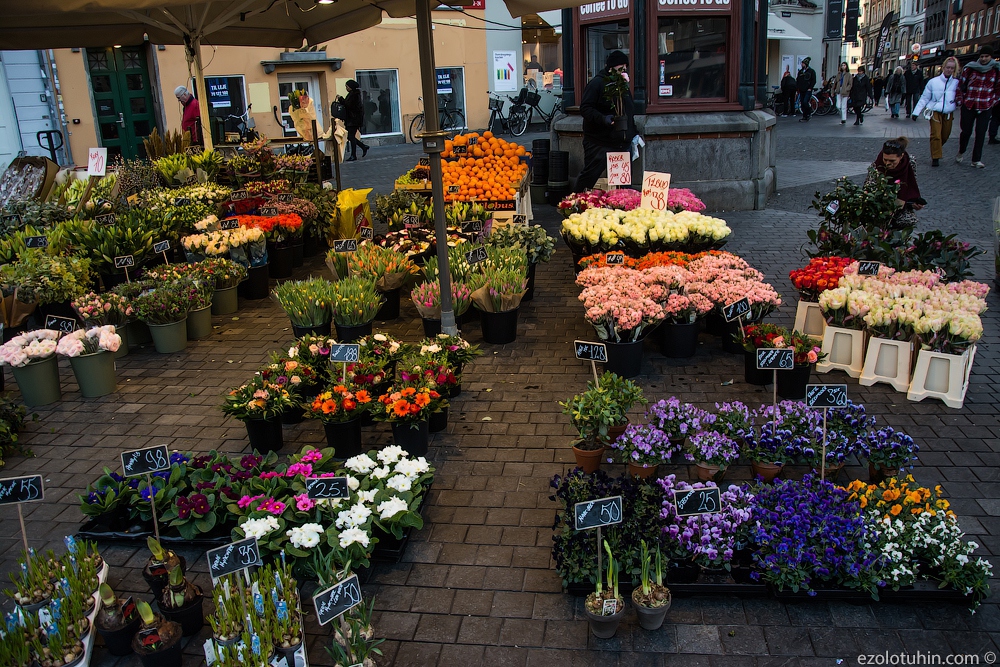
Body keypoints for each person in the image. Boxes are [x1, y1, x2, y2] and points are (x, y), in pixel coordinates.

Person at [576, 50, 638, 192]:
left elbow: (628, 110)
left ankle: (622, 208)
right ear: (610, 68)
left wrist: (632, 132)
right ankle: (575, 203)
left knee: (623, 185)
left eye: (625, 67)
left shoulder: (622, 85)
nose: (624, 71)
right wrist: (603, 119)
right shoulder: (597, 84)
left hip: (621, 143)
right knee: (589, 177)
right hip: (599, 142)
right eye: (620, 67)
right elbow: (585, 108)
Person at [955, 46, 1000, 168]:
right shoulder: (970, 68)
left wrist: (993, 101)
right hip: (969, 105)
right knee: (966, 131)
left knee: (981, 133)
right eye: (982, 56)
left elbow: (998, 89)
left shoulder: (996, 70)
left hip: (985, 106)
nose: (984, 59)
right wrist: (960, 100)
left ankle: (976, 159)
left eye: (986, 56)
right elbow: (961, 85)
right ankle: (961, 150)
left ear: (991, 57)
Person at [912, 56, 960, 167]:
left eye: (952, 68)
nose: (949, 70)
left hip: (948, 112)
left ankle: (936, 148)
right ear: (943, 67)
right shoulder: (933, 82)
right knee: (936, 134)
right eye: (947, 67)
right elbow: (924, 97)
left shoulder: (956, 83)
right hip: (935, 110)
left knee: (945, 134)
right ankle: (936, 157)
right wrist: (916, 112)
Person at [871, 137, 925, 228]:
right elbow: (870, 188)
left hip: (901, 207)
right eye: (885, 159)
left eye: (892, 161)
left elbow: (910, 185)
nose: (887, 163)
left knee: (907, 221)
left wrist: (913, 202)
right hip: (880, 207)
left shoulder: (910, 162)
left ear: (901, 156)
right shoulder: (877, 165)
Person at [343, 80, 369, 161]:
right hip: (351, 119)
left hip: (354, 119)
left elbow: (349, 105)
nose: (346, 88)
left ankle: (354, 155)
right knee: (350, 136)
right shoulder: (352, 94)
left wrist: (341, 100)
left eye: (347, 87)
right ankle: (363, 147)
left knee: (351, 136)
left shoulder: (354, 95)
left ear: (351, 87)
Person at [796, 57, 817, 122]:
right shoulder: (800, 72)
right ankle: (804, 116)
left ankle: (809, 112)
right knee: (802, 103)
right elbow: (798, 80)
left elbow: (813, 80)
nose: (802, 65)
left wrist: (810, 88)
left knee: (805, 102)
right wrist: (798, 88)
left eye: (803, 63)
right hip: (801, 89)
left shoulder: (811, 71)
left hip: (808, 89)